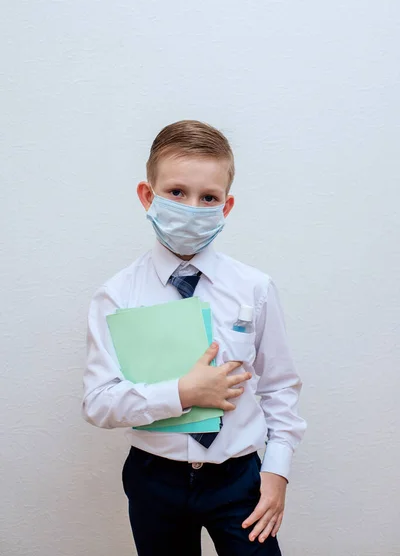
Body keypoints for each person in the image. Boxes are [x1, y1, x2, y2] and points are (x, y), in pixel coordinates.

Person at [82, 120, 306, 556]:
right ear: (148, 196)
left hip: (238, 477)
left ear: (226, 206)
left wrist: (277, 472)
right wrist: (182, 392)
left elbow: (280, 386)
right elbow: (99, 402)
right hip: (154, 478)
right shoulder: (117, 295)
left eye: (208, 198)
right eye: (176, 192)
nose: (192, 206)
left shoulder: (254, 288)